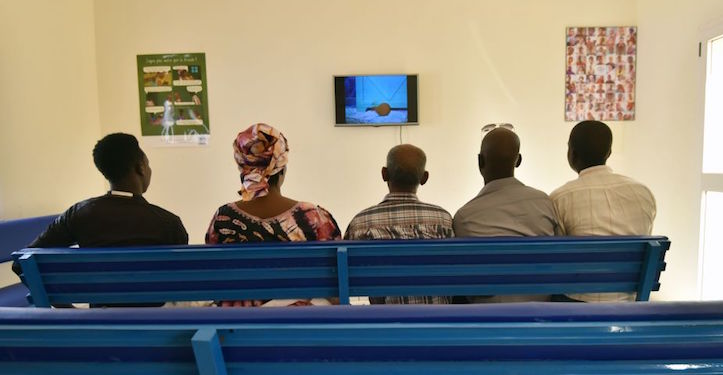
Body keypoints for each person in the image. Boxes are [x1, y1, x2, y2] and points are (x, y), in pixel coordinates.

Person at [15, 133, 189, 307]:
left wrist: (69, 311)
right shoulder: (168, 223)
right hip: (157, 325)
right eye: (148, 164)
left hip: (99, 321)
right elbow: (182, 280)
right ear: (141, 167)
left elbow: (22, 263)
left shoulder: (79, 214)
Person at [205, 123, 341, 307]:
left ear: (243, 169)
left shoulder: (223, 218)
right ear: (282, 170)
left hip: (238, 326)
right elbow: (336, 281)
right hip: (300, 326)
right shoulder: (314, 216)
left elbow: (213, 276)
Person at [550, 120, 656, 302]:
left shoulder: (560, 198)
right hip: (628, 302)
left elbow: (557, 258)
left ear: (572, 154)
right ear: (609, 153)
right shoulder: (643, 193)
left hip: (576, 304)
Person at [453, 126, 558, 303]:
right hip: (539, 310)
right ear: (518, 160)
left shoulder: (464, 217)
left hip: (488, 317)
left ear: (480, 161)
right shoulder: (544, 203)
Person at [345, 144, 454, 305]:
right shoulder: (443, 220)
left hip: (385, 322)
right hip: (437, 321)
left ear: (384, 174)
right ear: (424, 178)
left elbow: (348, 276)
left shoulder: (361, 223)